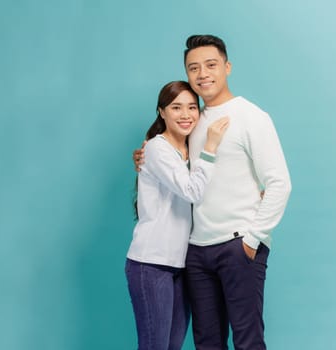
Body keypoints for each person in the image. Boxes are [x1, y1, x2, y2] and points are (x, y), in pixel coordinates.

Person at [133, 35, 292, 350]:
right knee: (207, 342)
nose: (202, 73)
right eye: (194, 68)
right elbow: (172, 160)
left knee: (247, 341)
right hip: (195, 251)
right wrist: (144, 156)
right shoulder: (191, 119)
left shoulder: (251, 117)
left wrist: (252, 239)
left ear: (227, 67)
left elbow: (279, 183)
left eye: (210, 65)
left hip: (238, 245)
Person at [126, 80, 230, 350]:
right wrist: (211, 147)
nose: (185, 115)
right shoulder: (157, 148)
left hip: (180, 264)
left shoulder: (190, 148)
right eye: (176, 107)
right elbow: (193, 191)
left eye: (192, 107)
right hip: (150, 263)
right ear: (162, 112)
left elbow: (211, 188)